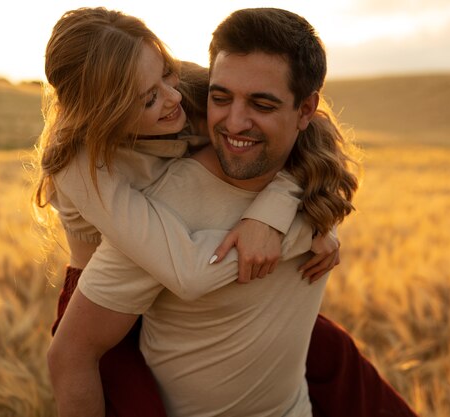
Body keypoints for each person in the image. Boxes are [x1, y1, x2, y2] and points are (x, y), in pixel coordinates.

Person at [39, 6, 416, 417]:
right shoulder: (82, 165)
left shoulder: (187, 89)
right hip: (105, 299)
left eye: (167, 72)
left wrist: (276, 209)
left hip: (173, 277)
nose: (173, 97)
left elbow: (308, 131)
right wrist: (302, 229)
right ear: (103, 114)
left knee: (336, 356)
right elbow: (190, 272)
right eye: (149, 99)